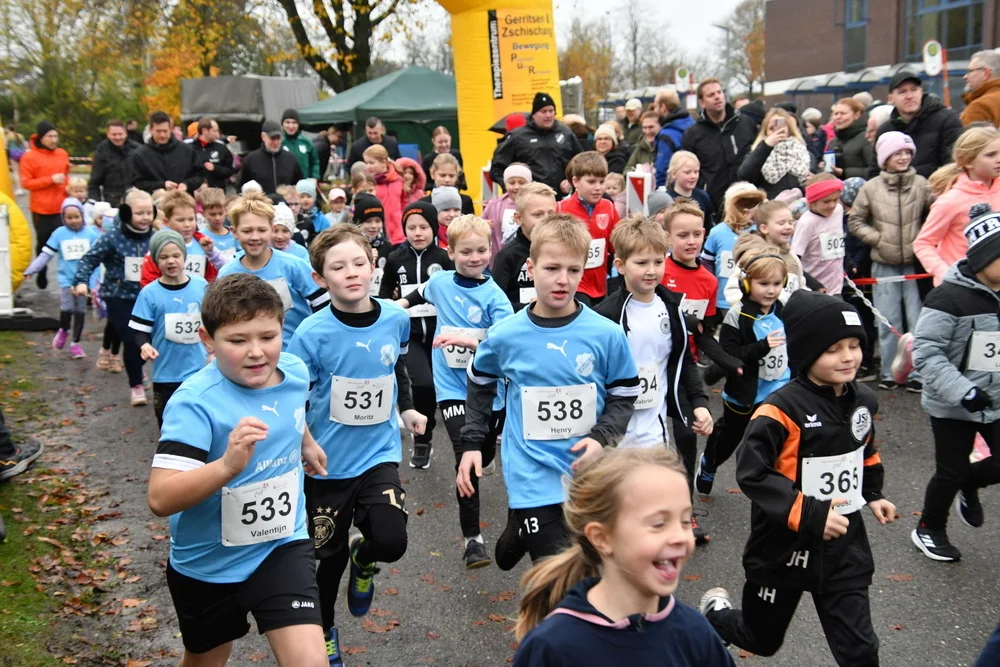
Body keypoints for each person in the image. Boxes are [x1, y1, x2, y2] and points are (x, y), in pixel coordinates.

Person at [700, 290, 895, 667]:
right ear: (806, 351)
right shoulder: (779, 410)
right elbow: (753, 472)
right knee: (761, 640)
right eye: (833, 349)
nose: (848, 356)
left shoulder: (864, 400)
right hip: (781, 546)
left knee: (860, 652)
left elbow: (863, 449)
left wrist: (873, 492)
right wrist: (807, 513)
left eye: (855, 345)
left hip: (843, 546)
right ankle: (716, 617)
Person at [148, 273, 328, 667]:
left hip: (282, 544)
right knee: (207, 661)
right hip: (209, 564)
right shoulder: (194, 403)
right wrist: (227, 466)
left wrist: (306, 441)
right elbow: (160, 498)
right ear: (207, 340)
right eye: (237, 340)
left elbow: (289, 410)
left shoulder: (295, 372)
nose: (256, 352)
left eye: (268, 336)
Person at [458, 214, 639, 571]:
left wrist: (602, 438)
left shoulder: (606, 334)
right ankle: (527, 519)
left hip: (587, 470)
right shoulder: (506, 335)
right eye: (552, 268)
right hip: (531, 470)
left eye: (573, 270)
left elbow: (623, 394)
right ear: (531, 268)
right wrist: (473, 444)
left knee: (595, 566)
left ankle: (517, 530)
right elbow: (480, 382)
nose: (562, 280)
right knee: (559, 571)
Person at [285, 226, 425, 666]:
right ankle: (326, 633)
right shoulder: (310, 333)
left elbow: (397, 366)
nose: (351, 273)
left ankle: (364, 557)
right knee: (326, 564)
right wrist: (304, 443)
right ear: (320, 278)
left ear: (373, 266)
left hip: (377, 455)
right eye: (338, 267)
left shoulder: (395, 318)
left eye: (359, 263)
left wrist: (407, 408)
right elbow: (293, 398)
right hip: (326, 464)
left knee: (392, 541)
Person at [512, 448, 734, 667]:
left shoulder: (696, 635)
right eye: (658, 524)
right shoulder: (552, 648)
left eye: (685, 521)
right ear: (602, 538)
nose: (679, 537)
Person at [395, 215, 514, 568]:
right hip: (451, 387)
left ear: (490, 250)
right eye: (466, 252)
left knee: (483, 452)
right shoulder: (441, 282)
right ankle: (472, 540)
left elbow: (504, 343)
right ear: (450, 253)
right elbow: (418, 294)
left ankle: (485, 455)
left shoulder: (495, 298)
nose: (475, 258)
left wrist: (466, 340)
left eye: (481, 250)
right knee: (465, 454)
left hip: (489, 390)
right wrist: (393, 309)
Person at [910, 203, 1000, 562]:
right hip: (952, 402)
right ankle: (929, 528)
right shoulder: (947, 298)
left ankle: (971, 481)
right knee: (950, 471)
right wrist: (964, 391)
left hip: (996, 397)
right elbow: (926, 354)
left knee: (975, 469)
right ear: (983, 259)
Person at [595, 214, 713, 449]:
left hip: (654, 433)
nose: (651, 270)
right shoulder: (605, 315)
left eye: (658, 262)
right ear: (620, 265)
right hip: (613, 436)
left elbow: (684, 360)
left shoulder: (672, 309)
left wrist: (699, 402)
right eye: (641, 263)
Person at [695, 250, 792, 497]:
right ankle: (710, 462)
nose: (771, 290)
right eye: (763, 284)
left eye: (777, 284)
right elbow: (729, 354)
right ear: (747, 284)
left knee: (773, 436)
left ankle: (770, 482)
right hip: (745, 390)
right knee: (730, 437)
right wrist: (762, 346)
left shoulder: (782, 309)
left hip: (778, 387)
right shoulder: (738, 316)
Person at [848, 132, 932, 391]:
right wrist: (878, 239)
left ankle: (917, 373)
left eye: (907, 152)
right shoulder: (871, 187)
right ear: (885, 158)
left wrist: (923, 238)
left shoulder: (922, 184)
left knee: (918, 320)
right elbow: (855, 220)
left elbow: (936, 215)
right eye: (897, 153)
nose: (904, 157)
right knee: (887, 320)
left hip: (916, 265)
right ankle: (889, 372)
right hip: (883, 264)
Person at [378, 201, 453, 468]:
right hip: (410, 336)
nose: (418, 233)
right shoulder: (396, 259)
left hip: (441, 335)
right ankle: (423, 439)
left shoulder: (444, 258)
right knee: (422, 385)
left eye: (424, 227)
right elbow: (384, 293)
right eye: (411, 228)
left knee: (447, 391)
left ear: (434, 228)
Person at [72, 189, 155, 406]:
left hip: (148, 297)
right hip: (119, 297)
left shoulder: (157, 237)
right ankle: (136, 385)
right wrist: (81, 281)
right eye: (140, 213)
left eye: (149, 212)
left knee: (149, 340)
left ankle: (135, 367)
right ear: (126, 213)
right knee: (132, 339)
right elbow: (89, 259)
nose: (145, 217)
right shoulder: (112, 238)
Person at [217, 193, 331, 348]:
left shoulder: (293, 266)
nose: (255, 237)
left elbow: (323, 304)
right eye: (247, 231)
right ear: (234, 232)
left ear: (272, 229)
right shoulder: (227, 275)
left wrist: (317, 340)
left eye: (261, 230)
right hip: (250, 354)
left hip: (294, 352)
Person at [128, 229, 209, 426]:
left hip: (200, 370)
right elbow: (139, 329)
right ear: (155, 260)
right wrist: (144, 345)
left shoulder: (201, 286)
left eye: (176, 255)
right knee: (168, 424)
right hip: (166, 374)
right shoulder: (149, 293)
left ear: (184, 256)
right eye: (164, 257)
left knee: (200, 422)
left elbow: (213, 321)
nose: (171, 261)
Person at [914, 126, 1000, 285]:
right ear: (968, 162)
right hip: (965, 287)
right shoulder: (951, 201)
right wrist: (945, 273)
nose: (999, 159)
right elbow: (923, 243)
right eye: (991, 155)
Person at [22, 197, 100, 358]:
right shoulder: (59, 234)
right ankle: (64, 330)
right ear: (63, 218)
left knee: (80, 311)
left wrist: (95, 282)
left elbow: (98, 260)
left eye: (76, 217)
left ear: (82, 216)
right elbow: (45, 255)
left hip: (84, 281)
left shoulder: (91, 234)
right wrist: (32, 269)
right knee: (67, 308)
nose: (73, 221)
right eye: (69, 217)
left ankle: (75, 343)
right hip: (66, 280)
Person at [869, 70, 963, 178]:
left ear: (921, 92)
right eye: (902, 92)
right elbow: (875, 171)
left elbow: (952, 165)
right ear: (891, 99)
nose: (909, 96)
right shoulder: (885, 131)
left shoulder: (947, 120)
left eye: (914, 90)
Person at [681, 79, 756, 211]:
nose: (717, 97)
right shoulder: (693, 134)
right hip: (713, 205)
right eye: (711, 95)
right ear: (702, 102)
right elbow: (688, 169)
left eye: (719, 92)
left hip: (747, 200)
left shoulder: (745, 123)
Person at [556, 151, 620, 306]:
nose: (598, 188)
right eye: (591, 182)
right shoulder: (560, 209)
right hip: (573, 284)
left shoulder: (609, 207)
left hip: (600, 285)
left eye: (602, 182)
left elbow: (617, 245)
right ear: (576, 181)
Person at [490, 92, 582, 196]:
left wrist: (571, 181)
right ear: (534, 114)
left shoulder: (566, 133)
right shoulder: (518, 136)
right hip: (529, 198)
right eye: (543, 111)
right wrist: (511, 188)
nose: (548, 115)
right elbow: (497, 168)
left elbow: (580, 163)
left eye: (551, 111)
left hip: (560, 198)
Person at [723, 200, 809, 308]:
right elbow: (733, 290)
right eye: (781, 223)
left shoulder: (791, 254)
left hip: (788, 316)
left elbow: (801, 286)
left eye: (791, 222)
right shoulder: (754, 255)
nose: (788, 227)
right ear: (764, 228)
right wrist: (752, 311)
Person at [701, 182, 765, 323]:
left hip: (751, 300)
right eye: (742, 205)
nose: (747, 210)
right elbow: (707, 264)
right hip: (721, 301)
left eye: (751, 205)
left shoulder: (759, 232)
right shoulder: (717, 232)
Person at [20, 120, 70, 290]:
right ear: (41, 138)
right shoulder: (29, 157)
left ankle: (68, 276)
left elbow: (66, 176)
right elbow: (26, 183)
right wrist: (50, 180)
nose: (54, 140)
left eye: (56, 136)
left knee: (65, 243)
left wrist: (69, 189)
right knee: (43, 243)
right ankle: (41, 270)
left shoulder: (62, 154)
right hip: (41, 209)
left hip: (61, 208)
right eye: (50, 136)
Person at [139, 190, 227, 284]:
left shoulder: (203, 242)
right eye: (180, 220)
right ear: (166, 221)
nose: (187, 225)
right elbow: (149, 278)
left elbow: (215, 273)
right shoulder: (159, 246)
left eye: (191, 219)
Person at [492, 183, 557, 311]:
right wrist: (529, 308)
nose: (546, 220)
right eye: (538, 214)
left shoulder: (560, 251)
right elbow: (496, 303)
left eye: (551, 213)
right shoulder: (507, 256)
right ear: (518, 218)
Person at [737, 108, 812, 199]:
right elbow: (745, 175)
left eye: (782, 127)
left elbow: (813, 174)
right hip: (770, 203)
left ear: (789, 129)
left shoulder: (801, 150)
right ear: (765, 131)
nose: (776, 131)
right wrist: (766, 146)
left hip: (798, 203)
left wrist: (811, 181)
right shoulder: (758, 150)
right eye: (771, 128)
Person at [791, 175, 846, 296]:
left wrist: (848, 262)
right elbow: (794, 260)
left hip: (836, 288)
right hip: (814, 291)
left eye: (835, 200)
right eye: (826, 201)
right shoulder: (807, 222)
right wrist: (813, 284)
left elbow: (837, 237)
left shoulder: (838, 211)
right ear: (812, 202)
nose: (832, 205)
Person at [129, 111, 203, 194]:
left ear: (171, 129)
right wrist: (161, 185)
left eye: (165, 131)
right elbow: (137, 182)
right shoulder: (140, 155)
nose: (162, 135)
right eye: (158, 131)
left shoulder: (187, 150)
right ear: (151, 130)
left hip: (183, 198)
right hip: (154, 199)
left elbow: (199, 175)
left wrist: (186, 184)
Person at [483, 163, 532, 266]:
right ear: (505, 184)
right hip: (499, 258)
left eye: (521, 182)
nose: (516, 187)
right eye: (512, 183)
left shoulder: (535, 204)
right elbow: (478, 224)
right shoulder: (494, 204)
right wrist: (484, 225)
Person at [239, 120, 304, 194]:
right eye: (272, 138)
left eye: (278, 138)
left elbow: (299, 186)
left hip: (285, 201)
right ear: (263, 137)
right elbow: (241, 188)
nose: (276, 142)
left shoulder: (291, 159)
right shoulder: (251, 160)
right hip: (261, 201)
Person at [89, 119, 140, 207]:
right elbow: (94, 182)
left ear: (126, 133)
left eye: (120, 134)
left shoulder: (137, 149)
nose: (117, 137)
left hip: (136, 196)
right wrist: (96, 203)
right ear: (107, 134)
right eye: (114, 134)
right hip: (112, 199)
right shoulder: (101, 152)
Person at [363, 144, 406, 244]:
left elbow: (404, 203)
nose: (368, 166)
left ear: (383, 162)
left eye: (371, 163)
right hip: (378, 233)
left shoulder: (399, 180)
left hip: (400, 233)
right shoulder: (368, 184)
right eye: (366, 163)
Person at [654, 88, 695, 189]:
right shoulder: (694, 125)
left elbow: (662, 169)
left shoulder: (666, 135)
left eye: (656, 107)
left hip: (674, 189)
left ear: (663, 107)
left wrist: (660, 191)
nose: (655, 110)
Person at [666, 151, 715, 228]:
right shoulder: (667, 199)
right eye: (687, 172)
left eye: (696, 172)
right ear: (674, 174)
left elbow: (709, 226)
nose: (693, 176)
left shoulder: (703, 196)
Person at [827, 98, 874, 179]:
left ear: (857, 115)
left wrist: (844, 172)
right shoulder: (834, 141)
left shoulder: (867, 138)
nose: (838, 117)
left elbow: (874, 171)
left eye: (843, 113)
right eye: (836, 114)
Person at [185, 117, 235, 191]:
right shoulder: (188, 147)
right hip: (192, 192)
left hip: (216, 192)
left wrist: (215, 168)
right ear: (204, 131)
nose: (218, 135)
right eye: (215, 131)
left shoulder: (221, 147)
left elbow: (230, 170)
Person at [196, 187, 239, 261]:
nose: (217, 218)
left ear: (225, 211)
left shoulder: (234, 233)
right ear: (203, 213)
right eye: (212, 214)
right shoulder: (201, 236)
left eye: (220, 213)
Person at [962, 50, 1000, 126]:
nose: (965, 77)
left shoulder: (980, 106)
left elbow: (969, 134)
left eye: (970, 71)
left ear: (986, 73)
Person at [281, 109, 320, 180]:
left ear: (298, 124)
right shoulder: (279, 143)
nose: (291, 126)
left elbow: (315, 162)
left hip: (304, 183)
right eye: (287, 122)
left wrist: (314, 178)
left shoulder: (307, 142)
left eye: (294, 123)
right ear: (282, 124)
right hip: (285, 184)